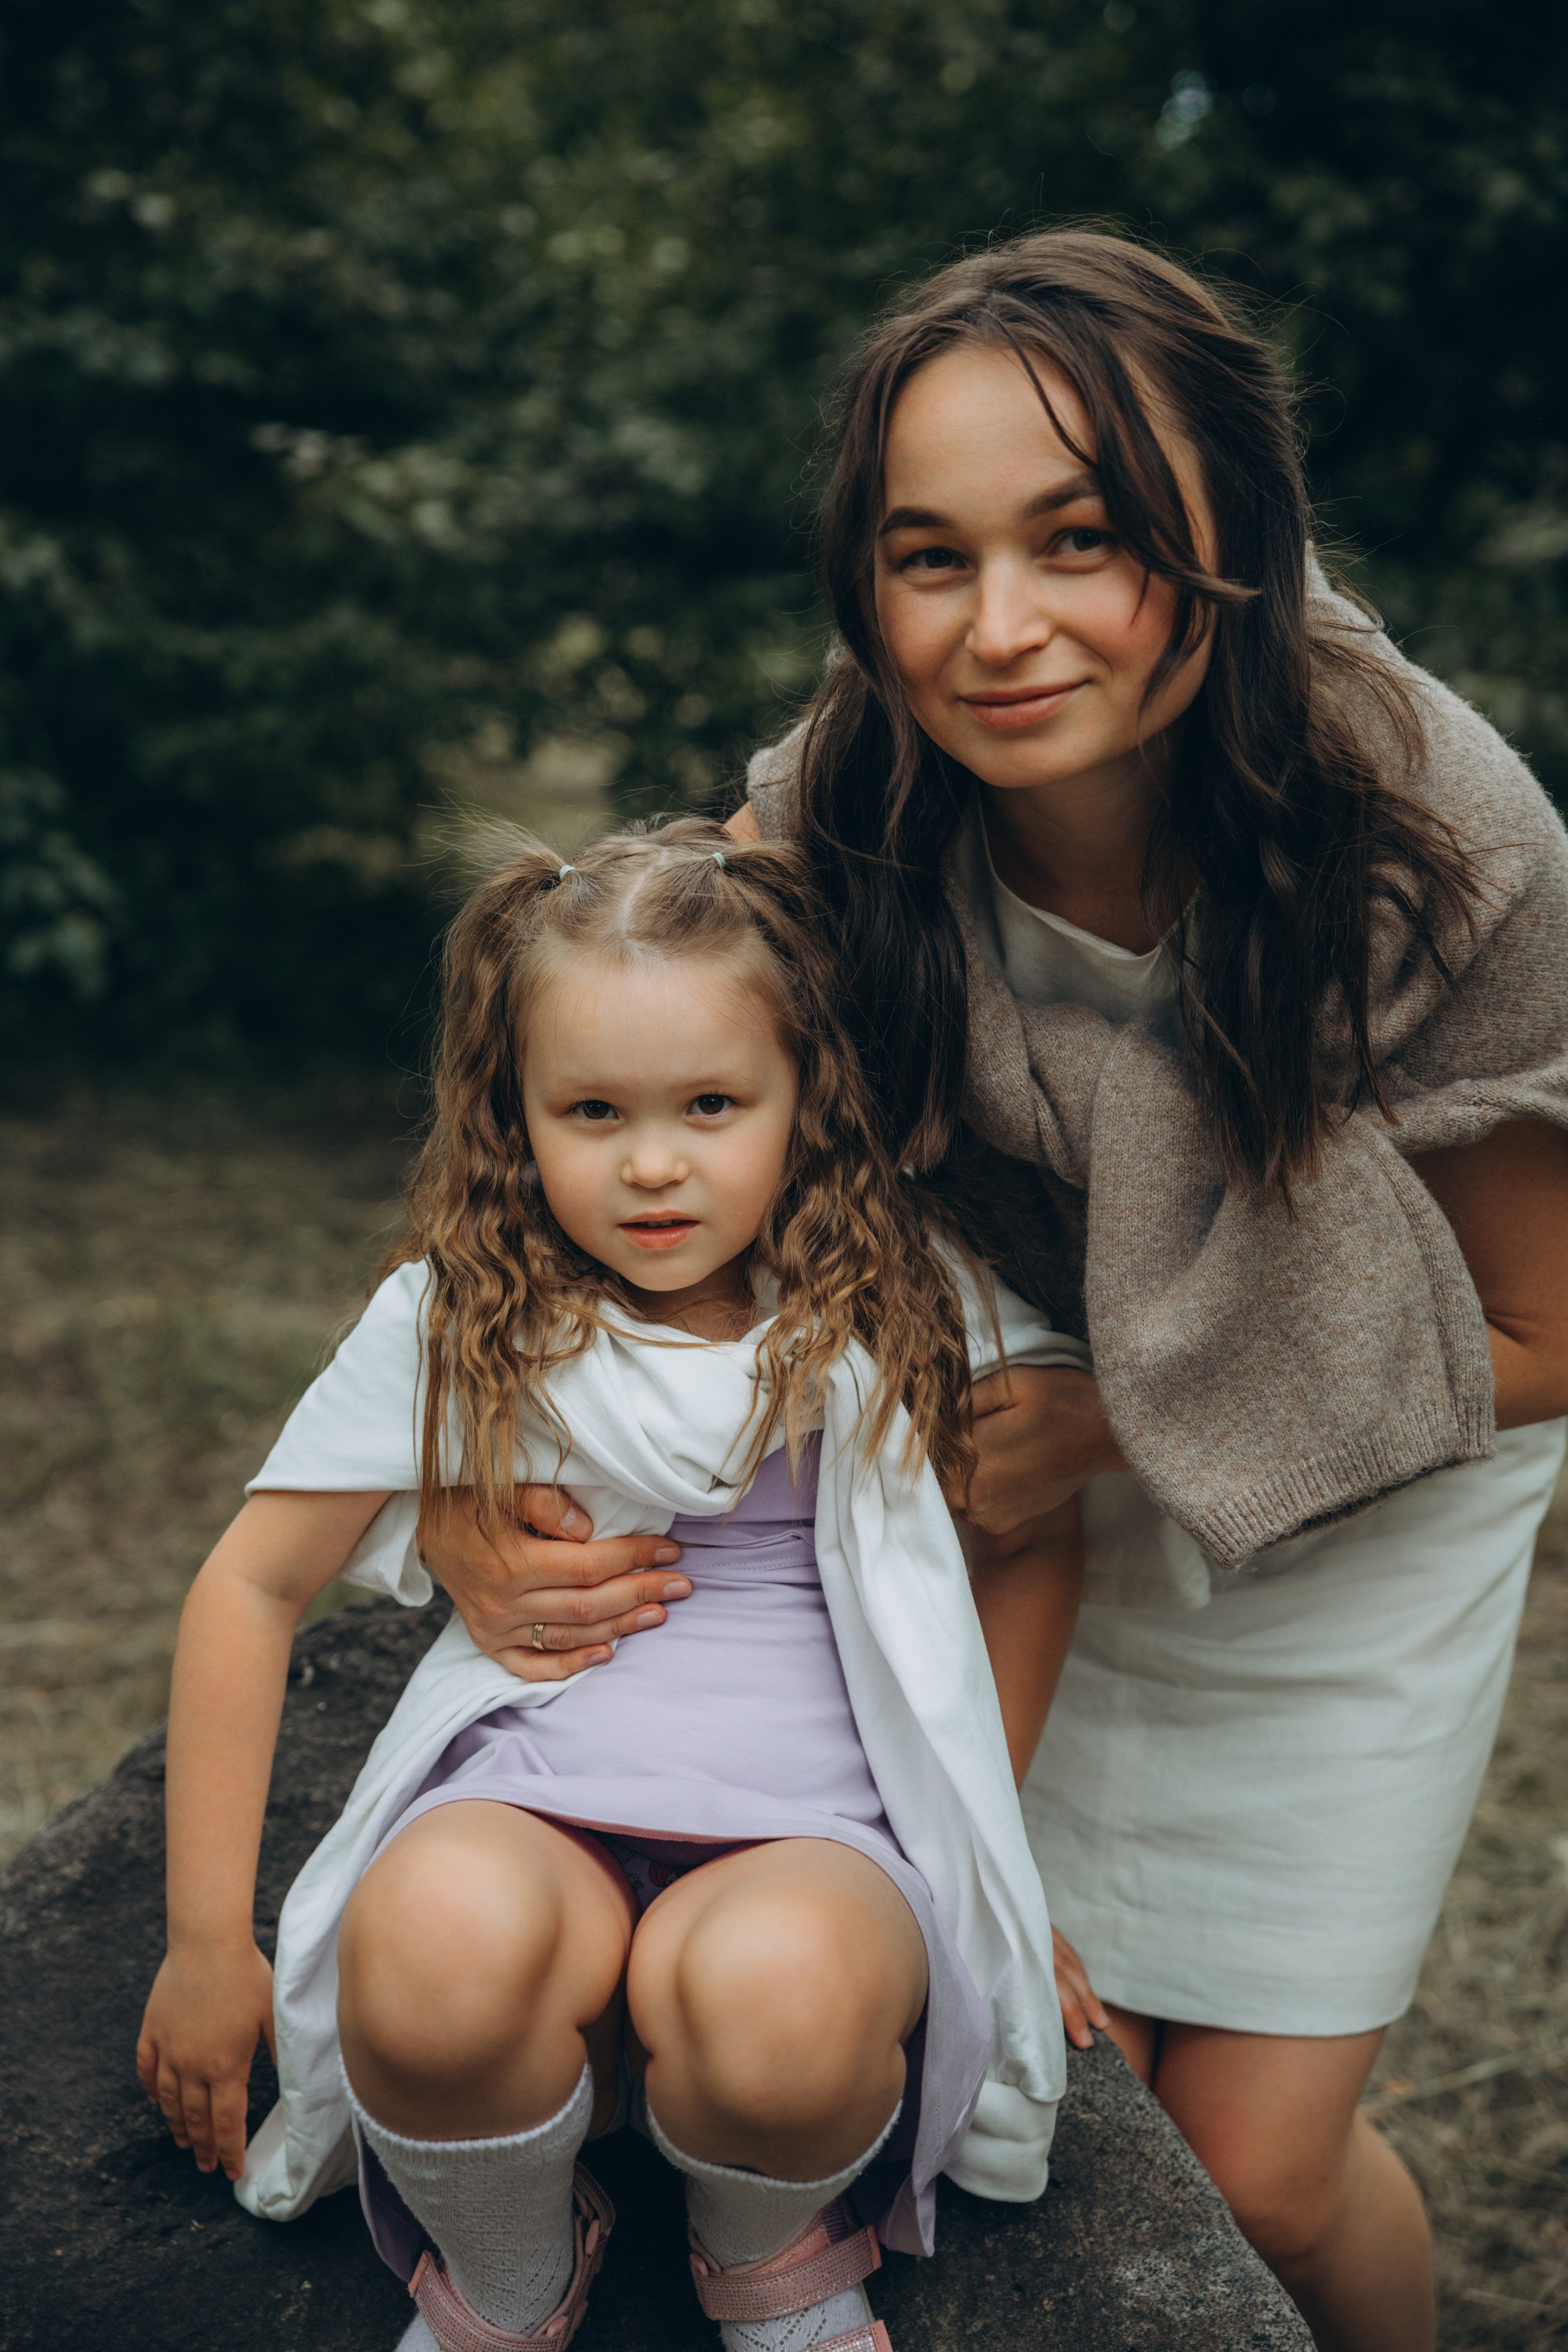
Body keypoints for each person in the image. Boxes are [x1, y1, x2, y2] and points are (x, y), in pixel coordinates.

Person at [422, 234, 1568, 2352]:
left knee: (1267, 2177)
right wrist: (465, 1467)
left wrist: (1120, 1425)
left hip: (1377, 1455)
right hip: (1000, 1464)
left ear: (1241, 529)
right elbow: (615, 1104)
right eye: (927, 557)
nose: (1001, 628)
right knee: (1053, 2095)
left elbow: (1548, 1329)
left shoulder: (1436, 830)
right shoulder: (843, 800)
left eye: (1086, 541)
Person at [136, 821, 1087, 2352]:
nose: (651, 1163)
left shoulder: (900, 1294)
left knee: (773, 1998)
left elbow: (1033, 1536)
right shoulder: (461, 1315)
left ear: (805, 1099)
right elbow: (250, 1587)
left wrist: (992, 1854)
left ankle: (769, 2262)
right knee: (429, 1955)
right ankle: (507, 2273)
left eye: (712, 1104)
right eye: (591, 1110)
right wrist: (205, 1942)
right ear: (512, 1116)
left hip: (816, 1828)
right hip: (540, 1791)